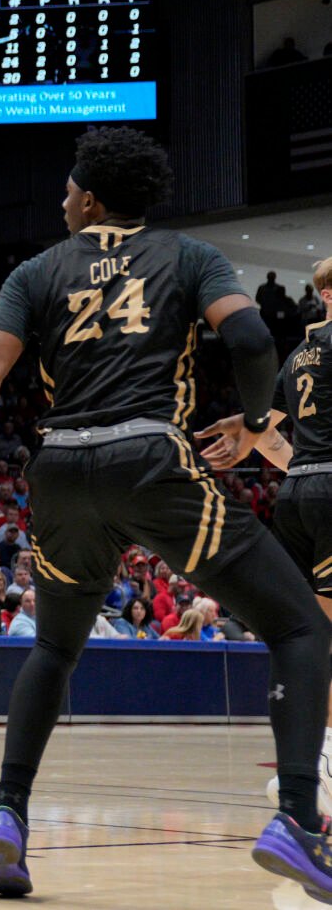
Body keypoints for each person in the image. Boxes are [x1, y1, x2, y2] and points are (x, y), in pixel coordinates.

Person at [0, 126, 332, 899]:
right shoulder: (188, 256)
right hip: (151, 461)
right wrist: (255, 420)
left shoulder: (35, 270)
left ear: (87, 197)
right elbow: (251, 337)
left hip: (57, 469)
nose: (60, 200)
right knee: (297, 625)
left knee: (54, 647)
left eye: (64, 189)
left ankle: (6, 816)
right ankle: (295, 817)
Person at [198, 255, 332, 813]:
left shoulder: (300, 353)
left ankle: (312, 761)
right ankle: (321, 762)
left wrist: (299, 462)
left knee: (312, 633)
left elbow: (267, 434)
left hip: (297, 492)